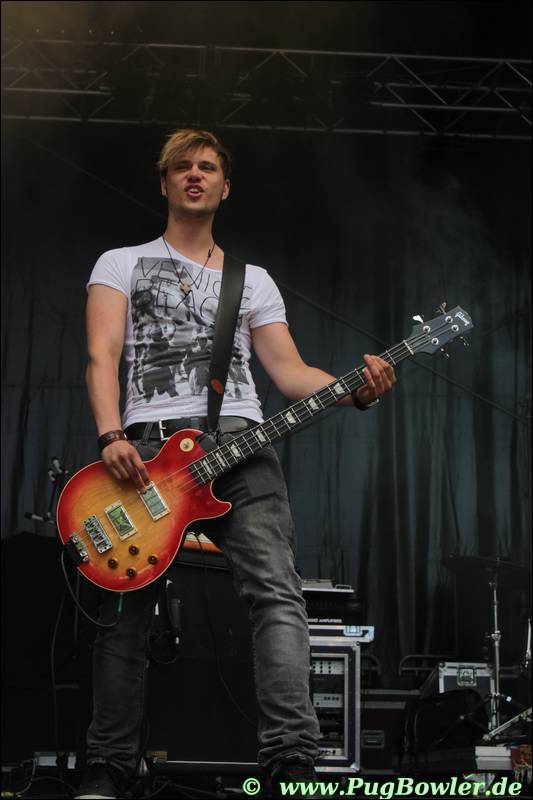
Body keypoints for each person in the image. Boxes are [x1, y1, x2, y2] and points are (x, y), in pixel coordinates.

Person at [76, 129, 396, 799]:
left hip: (242, 444)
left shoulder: (252, 281)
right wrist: (111, 434)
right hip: (149, 448)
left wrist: (356, 390)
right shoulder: (120, 263)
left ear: (225, 187)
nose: (195, 175)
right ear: (165, 182)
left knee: (277, 596)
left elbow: (290, 372)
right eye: (182, 167)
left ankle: (291, 762)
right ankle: (107, 765)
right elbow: (101, 355)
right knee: (125, 611)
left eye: (207, 167)